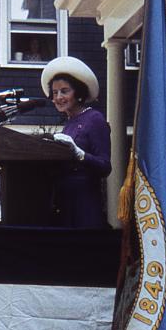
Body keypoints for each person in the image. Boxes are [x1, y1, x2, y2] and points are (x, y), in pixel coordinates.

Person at [41, 55, 111, 228]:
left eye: (64, 91)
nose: (58, 97)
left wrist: (79, 154)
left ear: (78, 93)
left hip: (84, 204)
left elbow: (105, 166)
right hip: (64, 203)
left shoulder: (94, 118)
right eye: (55, 93)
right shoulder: (68, 124)